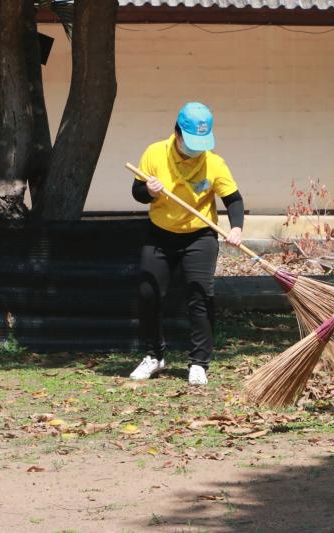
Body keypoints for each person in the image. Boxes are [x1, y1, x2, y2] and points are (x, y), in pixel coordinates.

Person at [129, 102, 244, 385]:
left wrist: (236, 228)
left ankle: (198, 363)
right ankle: (155, 356)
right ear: (177, 133)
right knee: (148, 292)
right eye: (191, 142)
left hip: (199, 236)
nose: (197, 148)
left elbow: (234, 200)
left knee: (199, 295)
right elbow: (137, 192)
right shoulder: (155, 154)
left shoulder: (213, 162)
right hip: (160, 234)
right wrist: (149, 191)